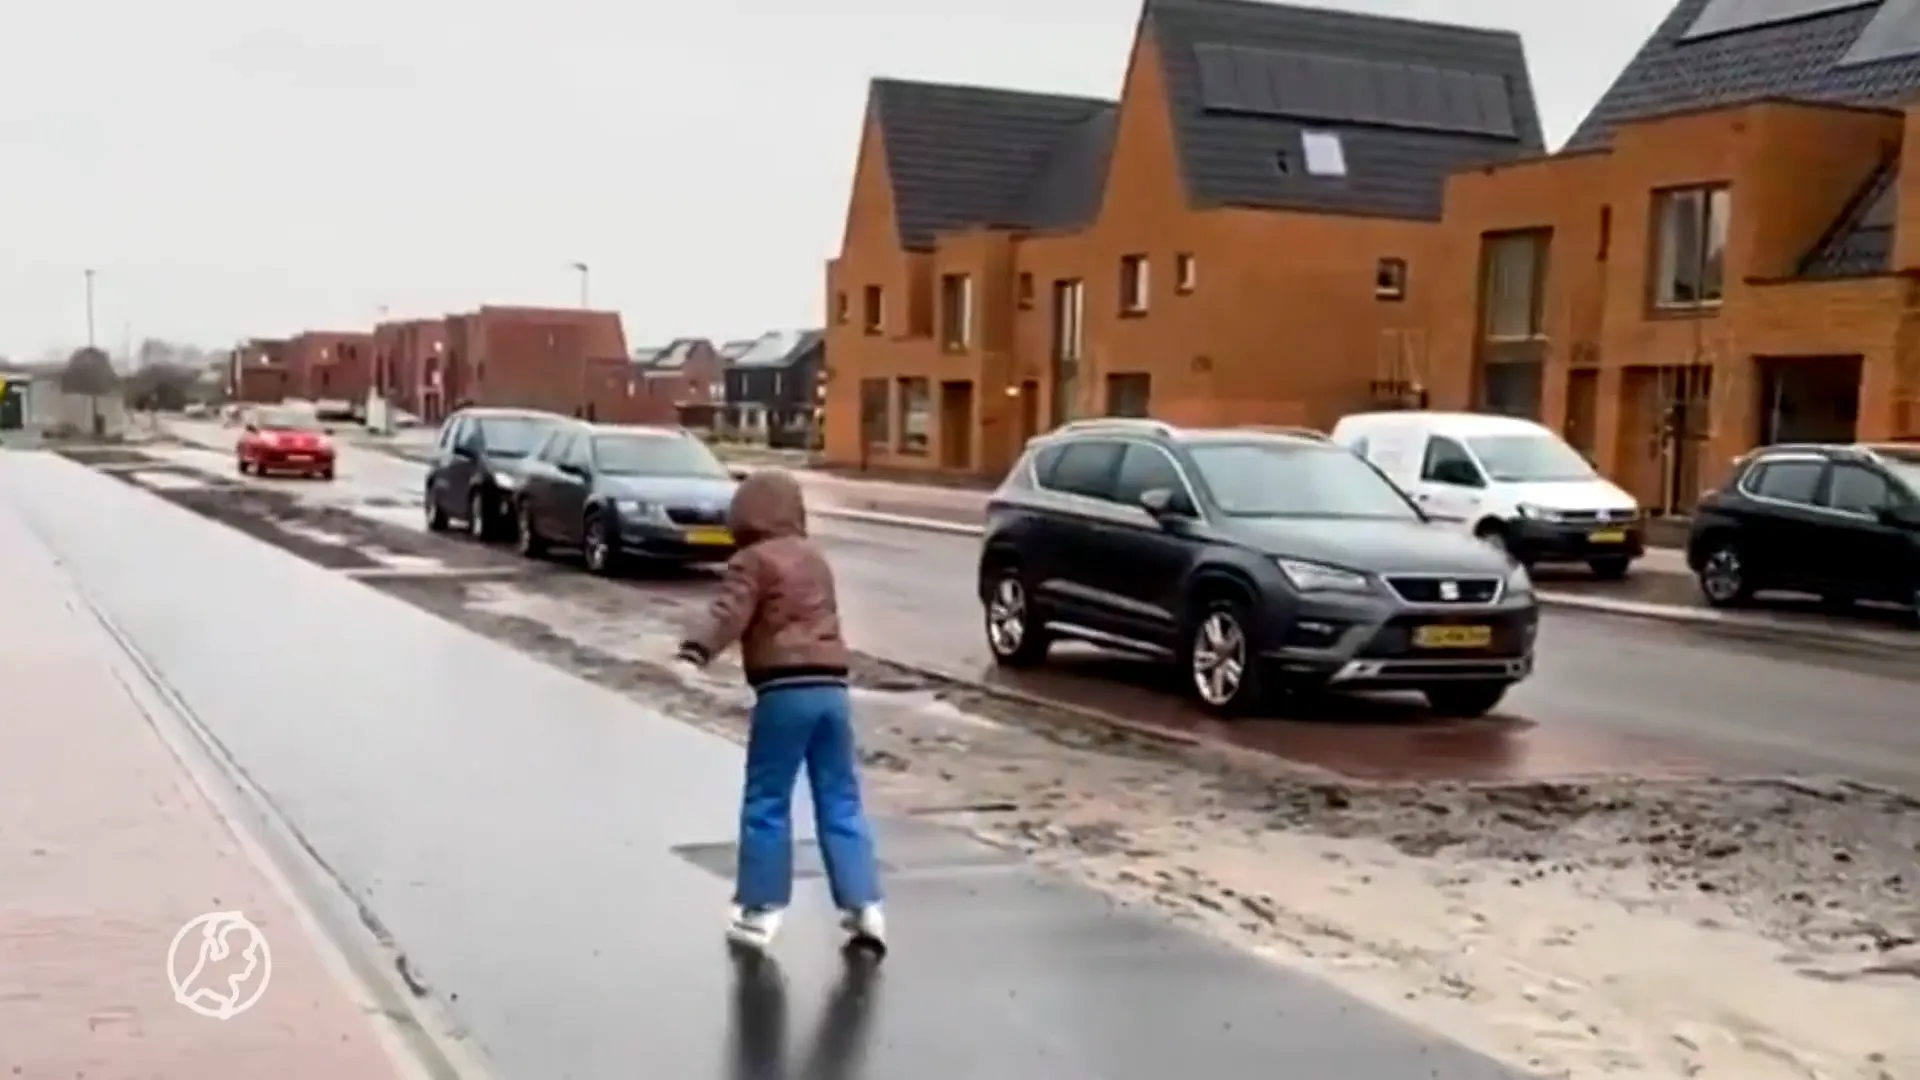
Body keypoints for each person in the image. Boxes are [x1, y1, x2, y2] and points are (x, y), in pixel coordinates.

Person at [675, 469, 885, 953]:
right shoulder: (815, 558)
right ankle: (864, 908)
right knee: (840, 800)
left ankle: (759, 912)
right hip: (833, 689)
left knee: (768, 801)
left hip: (784, 691)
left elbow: (729, 613)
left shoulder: (751, 561)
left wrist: (696, 650)